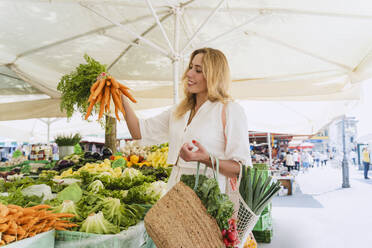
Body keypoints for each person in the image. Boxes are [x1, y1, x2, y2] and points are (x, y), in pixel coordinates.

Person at [120, 47, 251, 194]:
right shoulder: (179, 110)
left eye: (198, 70)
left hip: (209, 197)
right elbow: (139, 131)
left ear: (213, 75)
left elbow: (241, 169)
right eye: (190, 67)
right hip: (175, 191)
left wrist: (206, 159)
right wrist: (120, 97)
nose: (189, 74)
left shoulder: (229, 110)